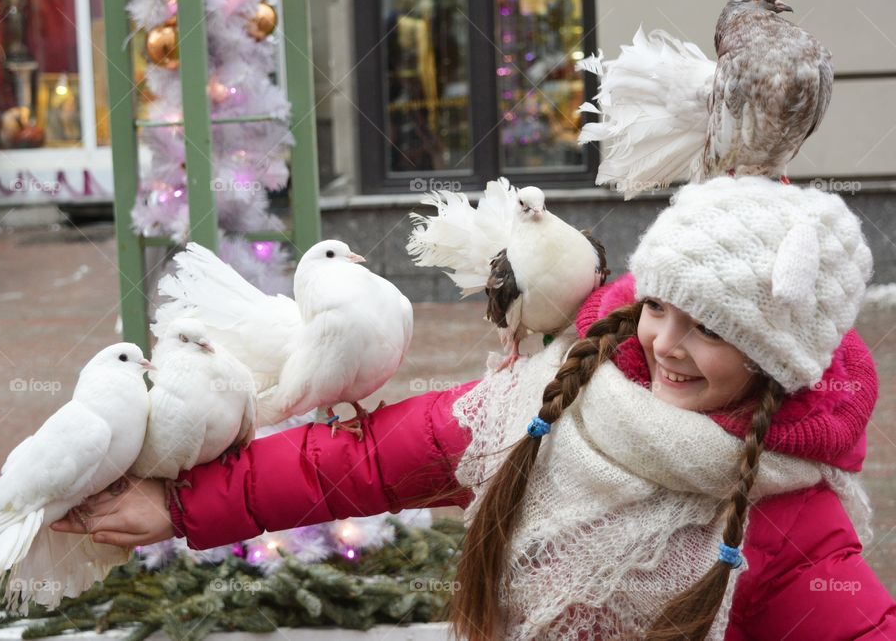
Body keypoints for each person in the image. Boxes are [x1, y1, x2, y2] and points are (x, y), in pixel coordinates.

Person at [52, 176, 896, 640]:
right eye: (660, 306)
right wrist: (177, 503)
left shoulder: (791, 517)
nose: (668, 343)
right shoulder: (551, 397)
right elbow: (365, 460)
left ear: (776, 360)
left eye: (709, 329)